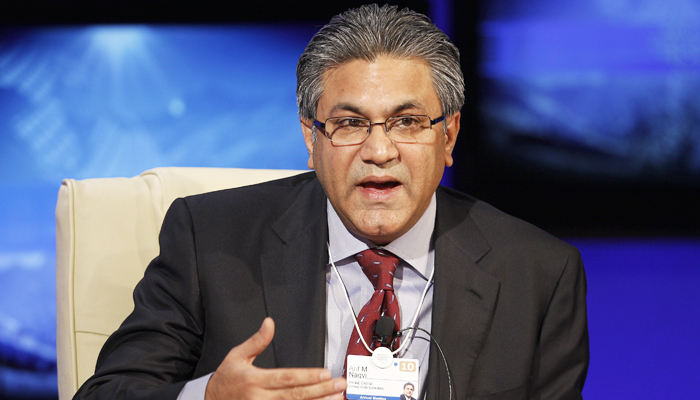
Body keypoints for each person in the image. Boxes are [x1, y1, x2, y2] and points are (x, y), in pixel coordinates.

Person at [73, 4, 589, 400]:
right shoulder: (209, 238)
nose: (379, 151)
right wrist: (206, 396)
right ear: (311, 139)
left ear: (448, 136)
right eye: (349, 123)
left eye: (407, 122)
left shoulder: (539, 272)